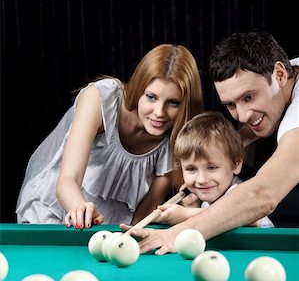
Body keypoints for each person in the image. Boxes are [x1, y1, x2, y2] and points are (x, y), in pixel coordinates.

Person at [121, 30, 298, 254]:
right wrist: (215, 157)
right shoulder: (283, 71)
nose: (242, 116)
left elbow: (263, 194)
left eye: (249, 97)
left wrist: (179, 233)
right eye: (231, 105)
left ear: (280, 75)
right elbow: (243, 133)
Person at [16, 44, 203, 228]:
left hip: (109, 232)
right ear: (139, 89)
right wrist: (80, 208)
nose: (159, 112)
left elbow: (140, 220)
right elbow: (67, 179)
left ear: (186, 104)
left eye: (173, 102)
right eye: (151, 97)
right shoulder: (101, 99)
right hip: (53, 210)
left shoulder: (177, 141)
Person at [152, 111, 273, 227]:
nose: (202, 179)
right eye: (191, 169)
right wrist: (192, 207)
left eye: (212, 168)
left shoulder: (240, 193)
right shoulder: (207, 203)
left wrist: (186, 214)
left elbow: (239, 215)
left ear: (236, 164)